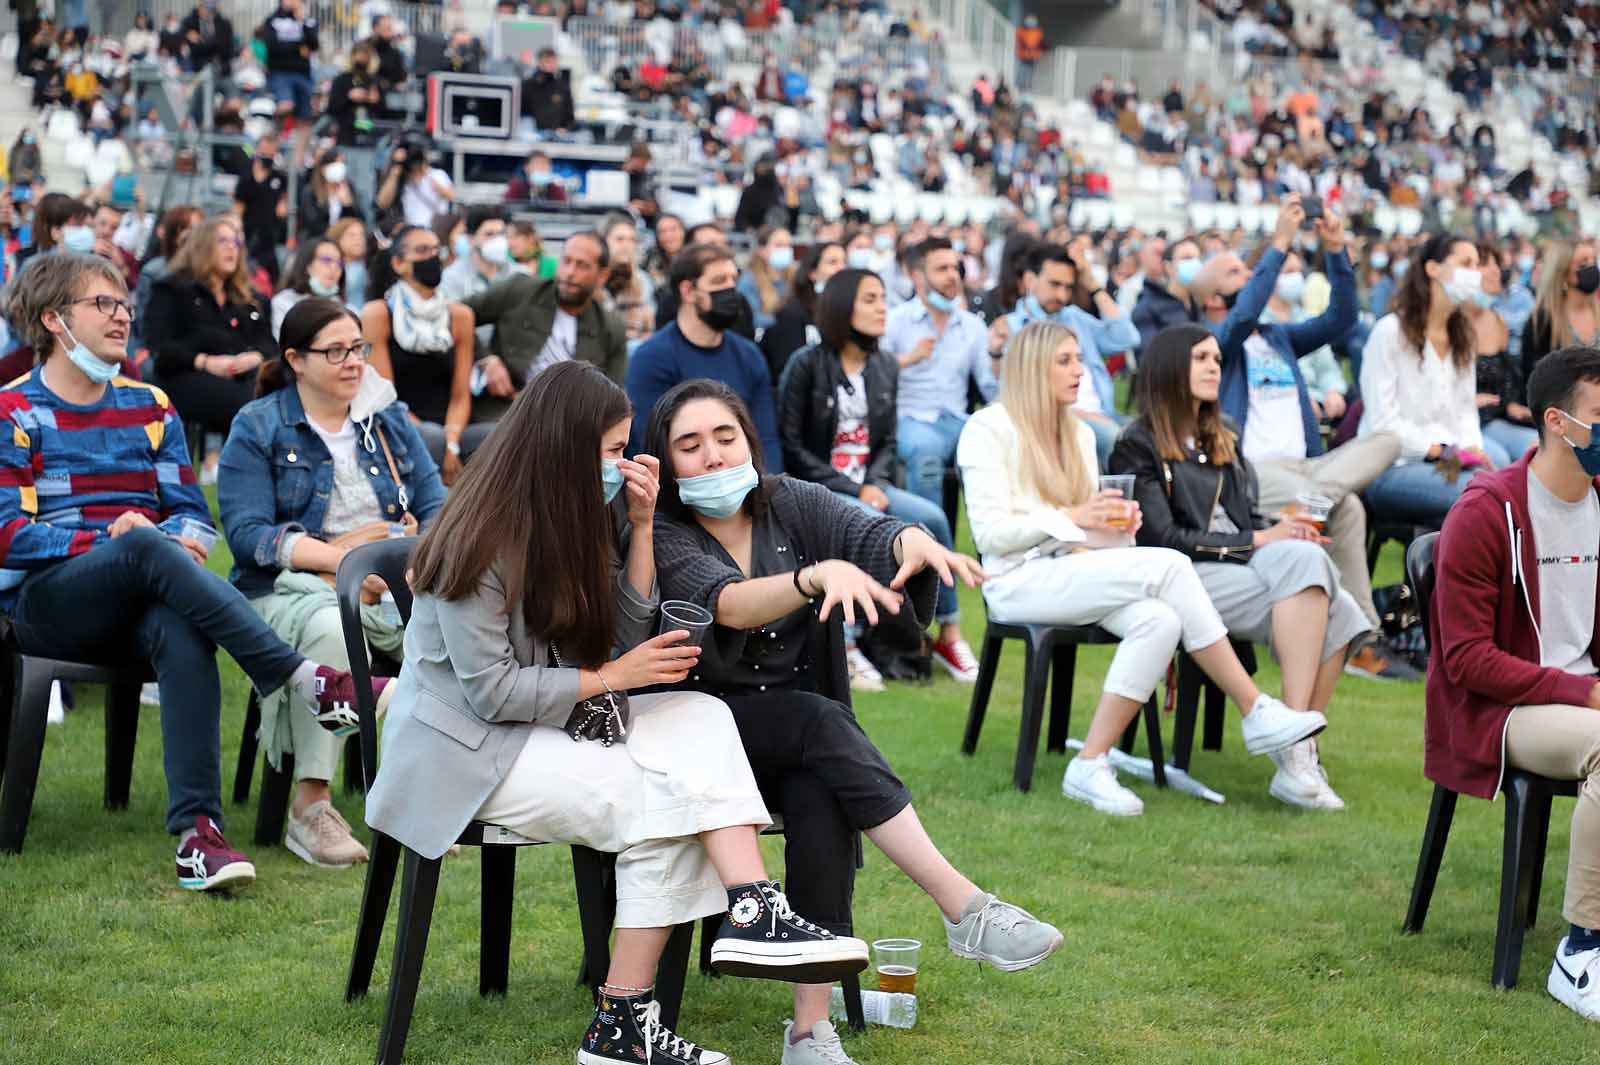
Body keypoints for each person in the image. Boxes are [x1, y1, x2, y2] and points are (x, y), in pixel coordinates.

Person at [364, 362, 867, 1065]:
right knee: (665, 804)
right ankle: (623, 1024)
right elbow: (492, 693)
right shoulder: (476, 534)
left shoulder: (574, 515)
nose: (623, 464)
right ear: (564, 445)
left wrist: (637, 528)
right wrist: (611, 678)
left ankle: (750, 904)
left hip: (545, 727)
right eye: (611, 449)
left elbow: (621, 638)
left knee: (698, 712)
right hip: (467, 750)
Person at [648, 378, 1063, 1065]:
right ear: (667, 463)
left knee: (822, 789)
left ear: (748, 441)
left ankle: (809, 1032)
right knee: (819, 721)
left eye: (725, 437)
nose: (714, 456)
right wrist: (813, 580)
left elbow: (866, 532)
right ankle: (962, 904)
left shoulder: (788, 503)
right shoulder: (663, 533)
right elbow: (723, 602)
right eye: (690, 446)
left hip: (794, 744)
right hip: (701, 741)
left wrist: (911, 543)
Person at [0, 253, 390, 891]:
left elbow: (192, 515)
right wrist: (117, 541)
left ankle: (199, 835)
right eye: (103, 304)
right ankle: (302, 679)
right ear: (53, 319)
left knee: (178, 623)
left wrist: (167, 545)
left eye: (124, 303)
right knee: (145, 545)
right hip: (49, 606)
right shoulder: (11, 411)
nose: (122, 314)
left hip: (144, 594)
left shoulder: (151, 406)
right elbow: (8, 535)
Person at [957, 320, 1330, 815]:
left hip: (1073, 568)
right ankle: (1254, 707)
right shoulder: (987, 429)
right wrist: (1074, 517)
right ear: (1031, 369)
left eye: (1078, 360)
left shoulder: (1079, 434)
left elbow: (1083, 531)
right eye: (1064, 361)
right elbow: (991, 536)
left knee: (1162, 618)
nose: (1079, 372)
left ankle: (1090, 763)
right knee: (1172, 566)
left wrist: (1116, 525)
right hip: (1016, 580)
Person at [219, 298, 446, 866]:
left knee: (460, 623)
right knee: (330, 624)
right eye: (336, 351)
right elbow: (248, 535)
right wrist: (346, 567)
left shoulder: (386, 418)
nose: (353, 363)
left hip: (391, 586)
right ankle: (310, 805)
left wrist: (416, 560)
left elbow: (436, 503)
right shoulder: (259, 425)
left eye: (359, 349)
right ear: (295, 359)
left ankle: (431, 796)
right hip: (290, 589)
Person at [1109, 324, 1366, 808]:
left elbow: (1244, 519)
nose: (1213, 366)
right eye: (1200, 358)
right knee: (1338, 605)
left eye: (1216, 359)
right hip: (1184, 573)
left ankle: (1295, 749)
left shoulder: (1222, 435)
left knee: (1332, 593)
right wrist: (1261, 539)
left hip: (1242, 565)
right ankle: (1297, 754)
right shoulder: (1138, 443)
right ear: (1169, 368)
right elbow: (1163, 538)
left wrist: (1282, 529)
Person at [1425, 345, 1600, 1024]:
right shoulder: (1485, 510)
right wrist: (1581, 692)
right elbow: (1467, 660)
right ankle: (1581, 948)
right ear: (1558, 421)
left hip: (1578, 691)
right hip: (1502, 707)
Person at [1195, 205, 1408, 678]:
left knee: (1389, 442)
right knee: (1347, 505)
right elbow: (1246, 309)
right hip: (1253, 471)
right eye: (1234, 271)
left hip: (1310, 471)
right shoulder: (1214, 342)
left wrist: (1336, 252)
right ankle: (1362, 641)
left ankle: (1355, 634)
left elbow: (1343, 317)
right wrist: (1279, 243)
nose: (1248, 274)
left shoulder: (1279, 338)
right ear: (1212, 299)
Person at [779, 268, 979, 682]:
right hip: (820, 488)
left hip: (870, 483)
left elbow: (886, 440)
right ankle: (847, 644)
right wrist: (857, 488)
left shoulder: (885, 365)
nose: (882, 308)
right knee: (866, 522)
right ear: (841, 307)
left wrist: (876, 482)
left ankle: (949, 632)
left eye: (883, 298)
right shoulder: (806, 365)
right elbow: (793, 447)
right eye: (869, 299)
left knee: (935, 519)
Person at [1360, 234, 1507, 527]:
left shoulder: (1461, 335)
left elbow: (1465, 410)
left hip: (1450, 459)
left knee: (1502, 470)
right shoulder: (1390, 332)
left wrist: (1472, 447)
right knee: (1483, 498)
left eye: (1478, 264)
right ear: (1433, 269)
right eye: (1466, 263)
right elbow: (1383, 426)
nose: (1476, 273)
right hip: (1393, 465)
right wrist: (1441, 451)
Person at [144, 214, 275, 483]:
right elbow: (161, 350)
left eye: (236, 241)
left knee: (277, 389)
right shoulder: (171, 289)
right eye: (222, 241)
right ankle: (247, 476)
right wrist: (205, 361)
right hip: (186, 377)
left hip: (243, 375)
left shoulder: (250, 298)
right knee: (251, 403)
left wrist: (255, 357)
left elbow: (270, 345)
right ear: (202, 245)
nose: (232, 247)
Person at [625, 243, 781, 465]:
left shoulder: (749, 355)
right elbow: (648, 443)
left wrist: (767, 492)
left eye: (733, 281)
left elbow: (766, 438)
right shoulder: (652, 357)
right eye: (719, 281)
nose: (730, 290)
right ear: (688, 290)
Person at [882, 238, 1003, 510]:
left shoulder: (972, 326)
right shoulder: (894, 321)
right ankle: (929, 547)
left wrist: (996, 354)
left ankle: (992, 544)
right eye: (942, 269)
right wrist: (908, 359)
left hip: (958, 420)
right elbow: (872, 376)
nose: (952, 276)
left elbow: (992, 390)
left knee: (997, 447)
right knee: (926, 453)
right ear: (917, 276)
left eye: (955, 268)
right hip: (911, 418)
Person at [464, 230, 628, 424]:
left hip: (568, 424)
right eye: (566, 261)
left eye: (582, 266)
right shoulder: (521, 291)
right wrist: (486, 359)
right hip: (503, 412)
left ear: (602, 275)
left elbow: (613, 400)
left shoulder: (611, 327)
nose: (570, 273)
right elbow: (457, 314)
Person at [363, 225, 481, 482]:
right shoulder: (379, 314)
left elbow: (461, 395)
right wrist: (441, 441)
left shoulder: (460, 316)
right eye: (422, 250)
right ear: (398, 263)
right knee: (431, 439)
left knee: (498, 437)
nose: (432, 257)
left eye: (436, 250)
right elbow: (386, 396)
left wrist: (452, 443)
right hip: (398, 423)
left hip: (452, 428)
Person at [1005, 241, 1138, 467]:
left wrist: (1094, 286)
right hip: (1052, 420)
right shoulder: (1012, 327)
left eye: (1068, 287)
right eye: (1055, 284)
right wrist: (1082, 415)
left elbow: (1126, 338)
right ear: (1029, 280)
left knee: (1157, 432)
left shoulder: (1073, 317)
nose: (1062, 295)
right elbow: (1018, 395)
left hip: (1104, 413)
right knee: (1111, 437)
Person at [1470, 242, 1538, 460]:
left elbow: (1505, 377)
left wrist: (1511, 405)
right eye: (1483, 264)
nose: (1495, 270)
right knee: (1498, 458)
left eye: (1495, 264)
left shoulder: (1498, 320)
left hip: (1496, 420)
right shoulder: (1451, 324)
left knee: (1540, 446)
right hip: (1466, 421)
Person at [760, 241, 844, 387]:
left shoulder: (843, 313)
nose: (841, 268)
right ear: (813, 273)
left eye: (844, 261)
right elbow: (787, 372)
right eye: (833, 262)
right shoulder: (791, 315)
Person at [1522, 240, 1600, 387]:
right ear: (1563, 273)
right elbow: (1533, 380)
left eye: (1594, 261)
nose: (1592, 268)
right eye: (1583, 264)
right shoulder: (1542, 321)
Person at [439, 205, 510, 348]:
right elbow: (452, 323)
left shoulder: (519, 274)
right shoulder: (452, 277)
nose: (498, 241)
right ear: (471, 239)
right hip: (471, 354)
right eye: (489, 234)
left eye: (501, 233)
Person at [233, 133, 288, 283]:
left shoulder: (279, 177)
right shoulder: (246, 177)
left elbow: (285, 197)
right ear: (257, 151)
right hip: (250, 235)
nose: (268, 156)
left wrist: (283, 204)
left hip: (270, 237)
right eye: (265, 152)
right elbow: (238, 207)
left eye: (272, 153)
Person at [259, 0, 319, 135]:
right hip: (280, 72)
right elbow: (273, 46)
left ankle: (298, 156)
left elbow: (313, 44)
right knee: (286, 105)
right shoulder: (272, 20)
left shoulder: (308, 21)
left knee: (305, 118)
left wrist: (302, 22)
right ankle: (272, 132)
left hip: (303, 73)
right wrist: (299, 48)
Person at [1132, 237, 1201, 350]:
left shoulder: (1202, 303)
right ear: (1168, 267)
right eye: (1187, 258)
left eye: (1198, 258)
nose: (1195, 263)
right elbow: (1149, 357)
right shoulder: (1148, 307)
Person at [270, 238, 345, 338]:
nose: (334, 267)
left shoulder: (344, 307)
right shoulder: (283, 302)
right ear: (307, 265)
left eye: (339, 263)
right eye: (327, 260)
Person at [599, 213, 655, 347]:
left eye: (632, 240)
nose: (627, 245)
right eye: (620, 239)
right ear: (604, 241)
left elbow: (649, 328)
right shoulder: (593, 277)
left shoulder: (643, 280)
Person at [736, 224, 793, 332]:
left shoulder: (794, 276)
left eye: (788, 245)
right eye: (779, 245)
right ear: (761, 251)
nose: (786, 250)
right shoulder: (748, 281)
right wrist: (785, 321)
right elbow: (750, 317)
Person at [297, 149, 364, 239]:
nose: (341, 168)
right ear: (324, 168)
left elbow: (359, 221)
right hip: (318, 240)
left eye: (343, 164)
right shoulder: (310, 192)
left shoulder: (349, 188)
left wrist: (347, 206)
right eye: (336, 164)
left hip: (343, 240)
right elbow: (313, 224)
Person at [520, 46, 575, 132]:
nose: (551, 65)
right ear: (539, 63)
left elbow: (570, 116)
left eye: (554, 62)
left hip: (557, 136)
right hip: (532, 135)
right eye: (547, 62)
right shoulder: (528, 85)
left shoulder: (562, 86)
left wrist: (565, 129)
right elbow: (521, 113)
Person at [326, 217, 369, 308]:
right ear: (337, 238)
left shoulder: (369, 265)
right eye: (351, 235)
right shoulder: (327, 267)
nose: (359, 239)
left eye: (362, 234)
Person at [504, 149, 568, 205]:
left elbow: (563, 209)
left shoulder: (555, 189)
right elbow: (508, 208)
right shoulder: (517, 187)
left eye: (544, 164)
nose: (541, 168)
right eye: (537, 164)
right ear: (526, 168)